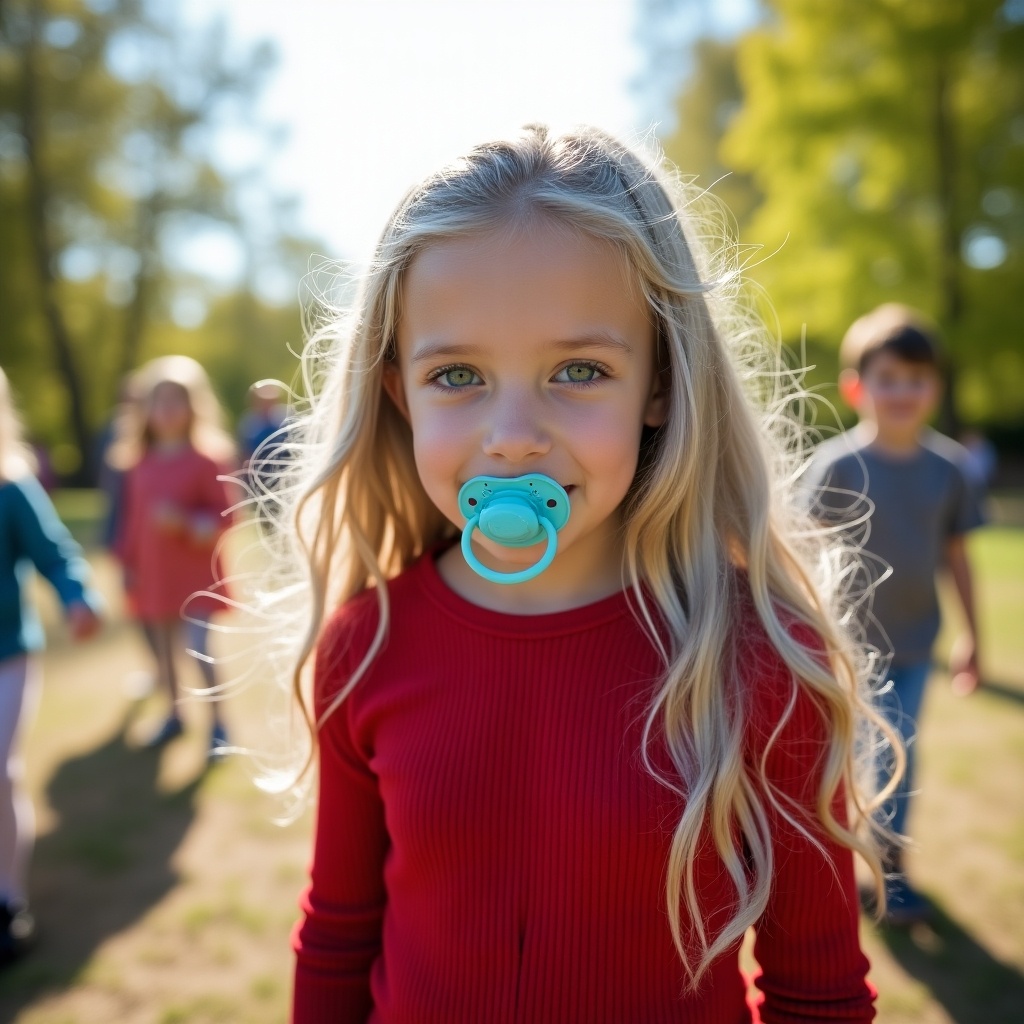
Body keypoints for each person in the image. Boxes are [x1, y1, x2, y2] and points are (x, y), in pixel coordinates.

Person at [270, 125, 893, 1022]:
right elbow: (337, 935)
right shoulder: (365, 647)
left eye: (578, 369)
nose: (514, 433)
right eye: (457, 374)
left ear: (662, 384)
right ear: (397, 388)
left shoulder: (757, 660)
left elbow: (817, 992)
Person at [808, 303, 985, 926]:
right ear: (857, 386)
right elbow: (799, 556)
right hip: (842, 647)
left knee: (897, 753)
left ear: (934, 388)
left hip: (915, 644)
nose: (903, 392)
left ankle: (888, 874)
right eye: (888, 378)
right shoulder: (834, 466)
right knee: (853, 759)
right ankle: (851, 871)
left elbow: (957, 557)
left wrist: (972, 636)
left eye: (916, 379)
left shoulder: (949, 472)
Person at [0, 366, 102, 965]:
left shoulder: (12, 487)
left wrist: (77, 595)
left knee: (1, 772)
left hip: (8, 655)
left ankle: (9, 901)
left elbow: (56, 553)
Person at [109, 355, 235, 761]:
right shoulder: (137, 461)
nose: (166, 409)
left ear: (194, 405)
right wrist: (127, 563)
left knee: (199, 648)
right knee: (162, 651)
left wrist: (184, 522)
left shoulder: (206, 458)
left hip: (196, 574)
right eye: (158, 400)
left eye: (176, 399)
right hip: (155, 576)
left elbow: (226, 517)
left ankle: (219, 725)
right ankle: (174, 715)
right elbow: (133, 521)